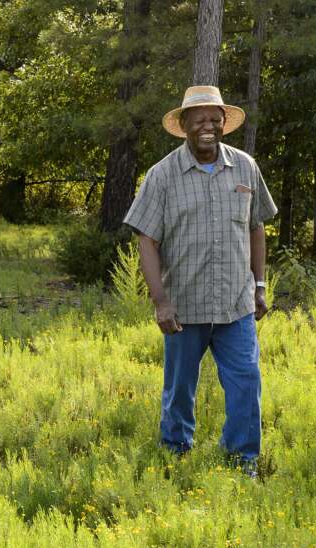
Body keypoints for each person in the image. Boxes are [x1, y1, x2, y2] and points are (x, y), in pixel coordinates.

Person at [123, 86, 277, 475]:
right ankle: (175, 454)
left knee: (246, 384)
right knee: (179, 391)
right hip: (184, 306)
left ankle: (243, 460)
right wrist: (160, 300)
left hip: (235, 304)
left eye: (214, 119)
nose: (208, 126)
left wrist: (259, 286)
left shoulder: (245, 167)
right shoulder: (162, 175)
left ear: (224, 123)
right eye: (199, 120)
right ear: (184, 126)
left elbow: (256, 227)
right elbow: (147, 239)